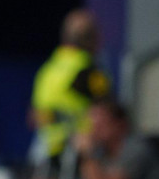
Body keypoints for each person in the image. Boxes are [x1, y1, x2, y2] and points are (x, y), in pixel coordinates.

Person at [31, 9, 110, 162]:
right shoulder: (88, 70)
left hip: (47, 149)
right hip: (80, 150)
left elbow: (35, 115)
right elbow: (109, 113)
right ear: (90, 40)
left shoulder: (47, 70)